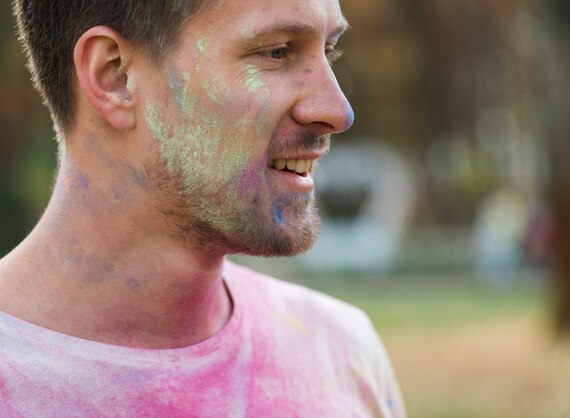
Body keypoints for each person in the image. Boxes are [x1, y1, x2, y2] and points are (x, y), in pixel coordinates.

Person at [0, 0, 406, 416]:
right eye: (277, 52)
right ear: (115, 76)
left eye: (330, 51)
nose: (337, 111)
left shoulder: (340, 355)